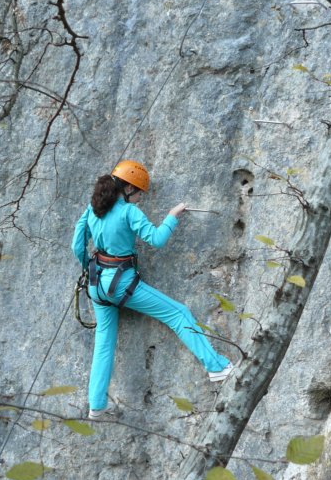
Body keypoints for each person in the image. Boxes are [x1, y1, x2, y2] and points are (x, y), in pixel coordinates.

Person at [72, 159, 233, 420]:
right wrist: (172, 216)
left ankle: (96, 405)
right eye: (139, 193)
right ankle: (216, 366)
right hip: (121, 284)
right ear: (128, 188)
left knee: (103, 343)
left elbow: (77, 246)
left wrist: (88, 267)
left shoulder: (93, 209)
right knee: (178, 313)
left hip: (96, 284)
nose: (140, 198)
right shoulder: (129, 212)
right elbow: (156, 239)